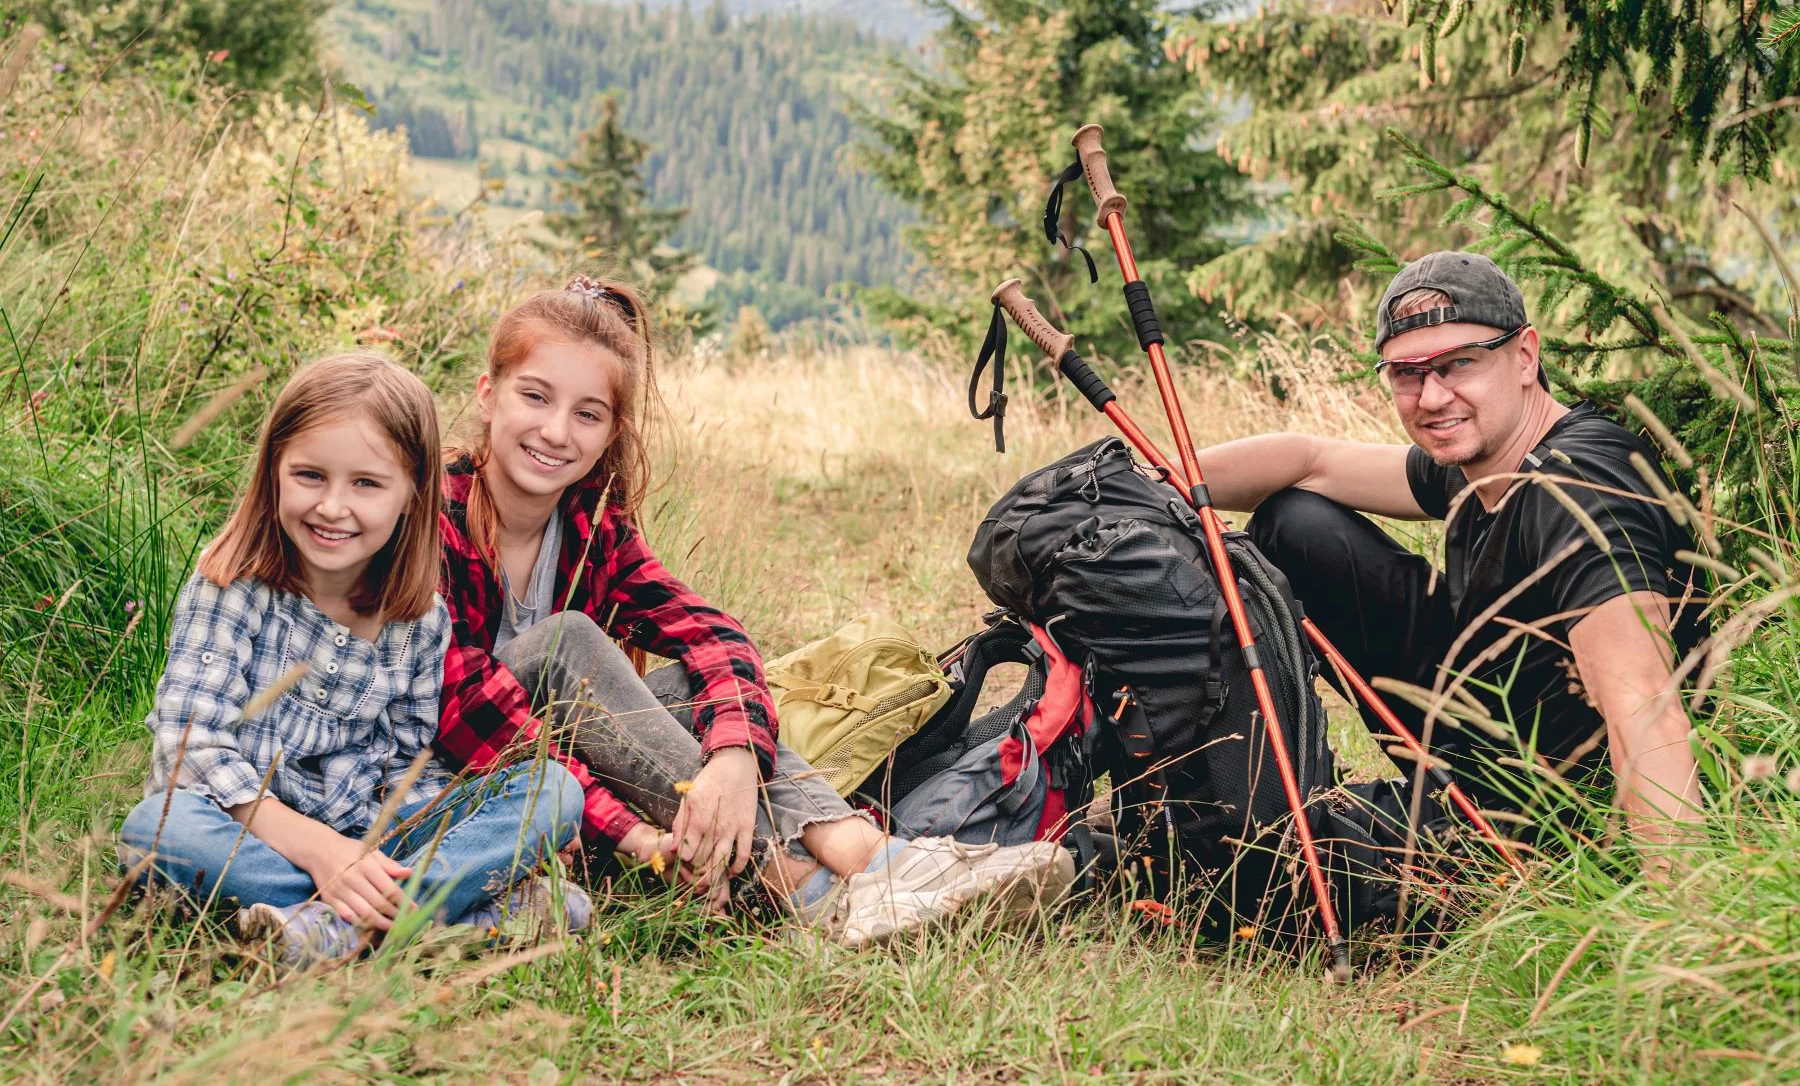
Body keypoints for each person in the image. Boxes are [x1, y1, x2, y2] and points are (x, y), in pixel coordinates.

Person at [433, 277, 1074, 947]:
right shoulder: (435, 517)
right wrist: (631, 829)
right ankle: (815, 885)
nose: (556, 431)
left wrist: (735, 759)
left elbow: (716, 636)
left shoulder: (592, 527)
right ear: (487, 393)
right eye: (534, 397)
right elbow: (463, 717)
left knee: (690, 688)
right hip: (480, 801)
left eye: (587, 414)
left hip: (586, 796)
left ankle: (872, 863)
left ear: (611, 431)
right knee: (562, 642)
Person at [1193, 252, 1708, 851]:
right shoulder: (1481, 458)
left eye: (1459, 363)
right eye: (1407, 373)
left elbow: (1645, 710)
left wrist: (1675, 920)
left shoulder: (1577, 491)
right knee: (1295, 522)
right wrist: (1154, 482)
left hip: (1556, 817)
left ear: (1524, 357)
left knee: (1269, 851)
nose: (1433, 397)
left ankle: (1089, 860)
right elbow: (1312, 461)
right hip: (1484, 724)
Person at [119, 353, 586, 968]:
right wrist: (321, 853)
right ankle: (446, 916)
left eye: (366, 484)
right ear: (274, 471)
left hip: (373, 837)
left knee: (551, 790)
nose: (333, 507)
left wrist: (440, 832)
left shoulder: (419, 618)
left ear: (412, 492)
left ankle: (333, 928)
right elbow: (188, 749)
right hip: (253, 833)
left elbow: (405, 765)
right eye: (310, 475)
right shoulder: (232, 585)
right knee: (157, 828)